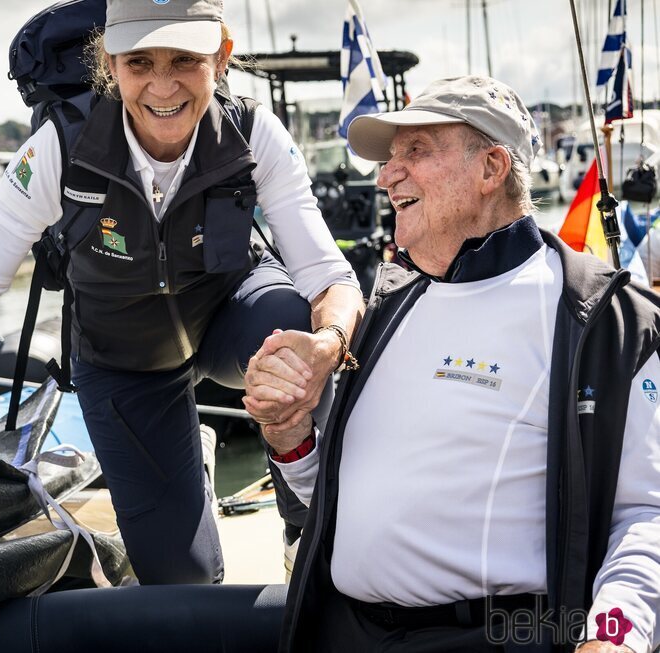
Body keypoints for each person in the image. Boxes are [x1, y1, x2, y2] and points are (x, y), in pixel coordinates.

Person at [0, 0, 363, 586]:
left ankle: (303, 520)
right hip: (123, 360)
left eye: (185, 59)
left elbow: (331, 279)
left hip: (231, 316)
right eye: (139, 62)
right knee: (183, 581)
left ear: (221, 57)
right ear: (109, 62)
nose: (162, 84)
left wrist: (326, 345)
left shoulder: (254, 133)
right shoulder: (58, 148)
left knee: (290, 321)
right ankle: (186, 490)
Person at [245, 76, 660, 652]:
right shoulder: (388, 304)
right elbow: (333, 503)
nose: (387, 175)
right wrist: (290, 437)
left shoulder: (601, 318)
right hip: (340, 630)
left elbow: (645, 518)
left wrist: (613, 641)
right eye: (389, 159)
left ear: (491, 169)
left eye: (415, 151)